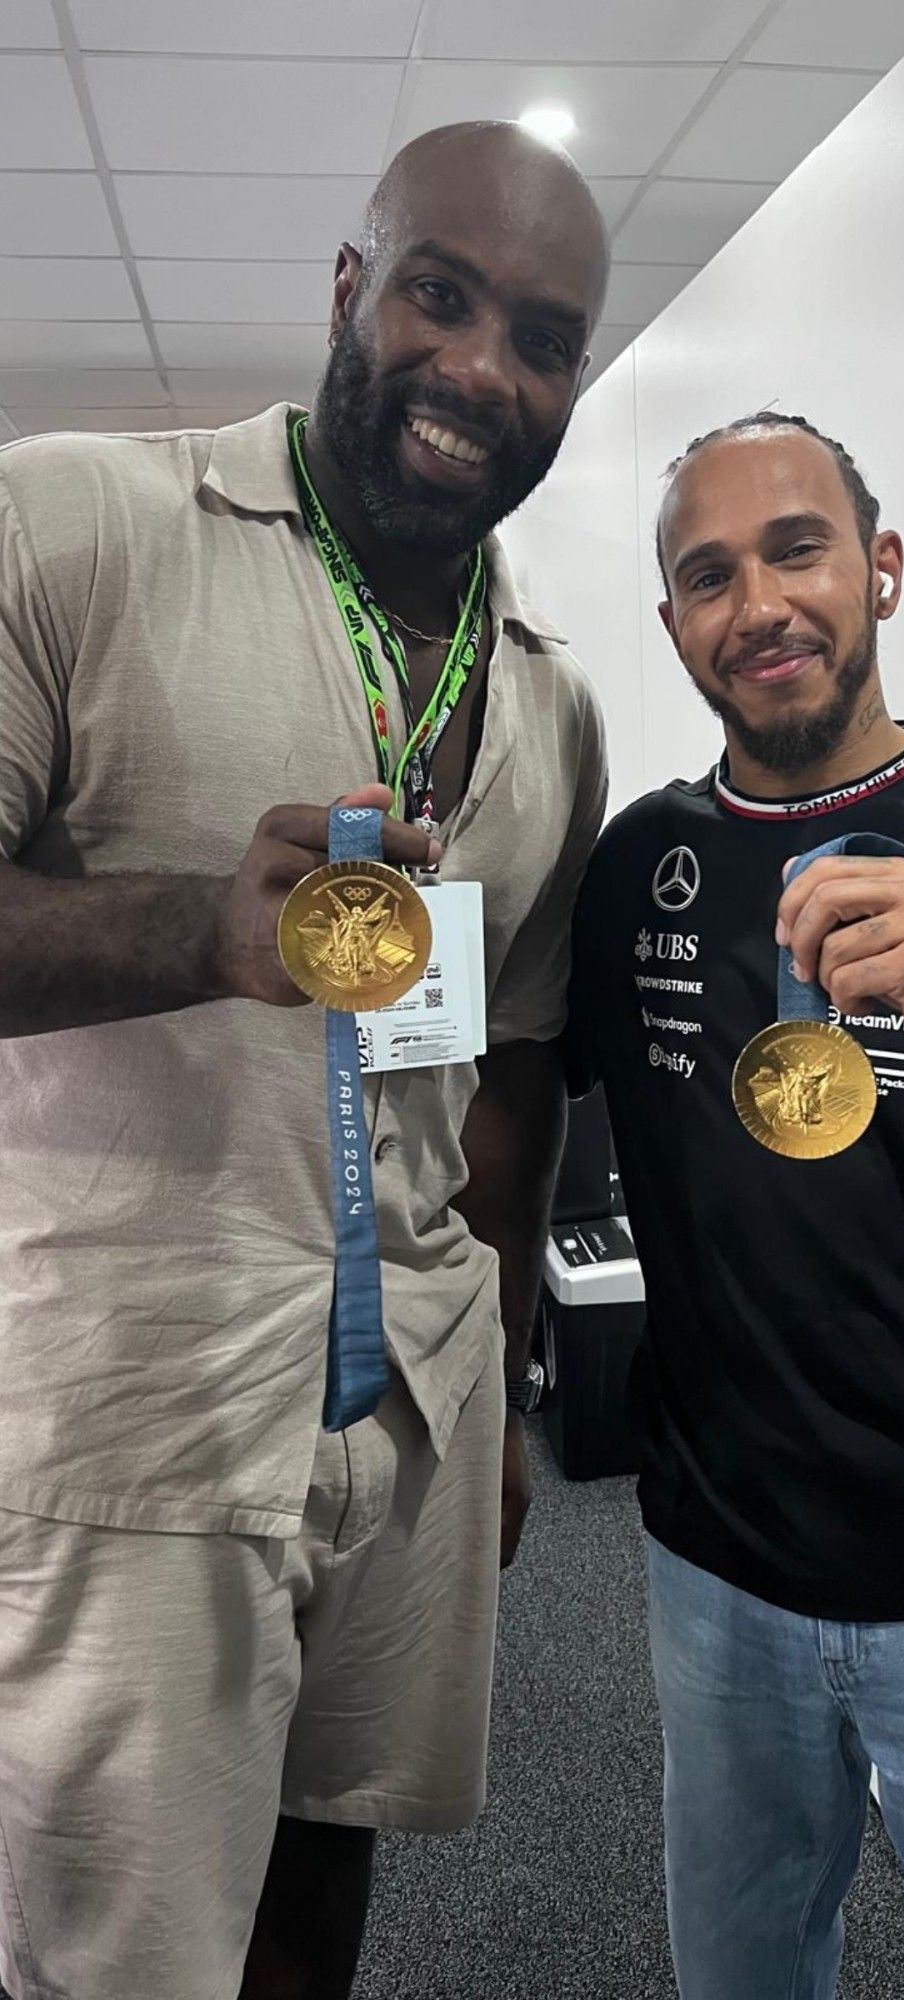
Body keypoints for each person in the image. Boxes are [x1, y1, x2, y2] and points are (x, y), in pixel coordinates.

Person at [0, 122, 609, 2000]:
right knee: (113, 1943)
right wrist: (201, 928)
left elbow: (506, 1078)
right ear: (352, 289)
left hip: (409, 1401)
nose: (480, 369)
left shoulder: (544, 692)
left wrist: (498, 1382)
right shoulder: (76, 524)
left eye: (542, 336)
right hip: (141, 1398)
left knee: (320, 1884)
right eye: (441, 293)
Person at [568, 411, 904, 2000]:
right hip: (712, 1573)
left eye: (796, 548)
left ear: (878, 568)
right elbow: (520, 1110)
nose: (758, 603)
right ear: (672, 624)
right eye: (705, 574)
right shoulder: (640, 866)